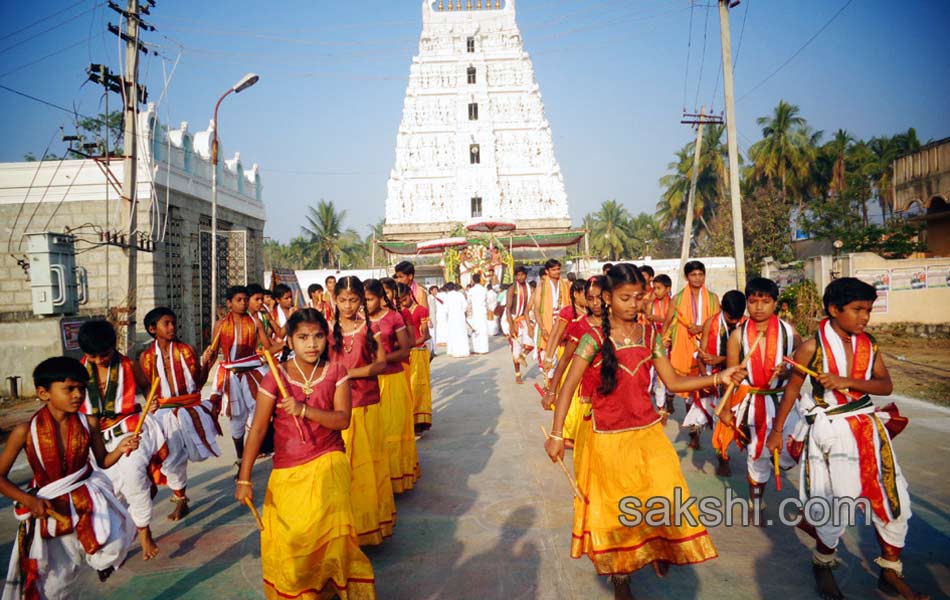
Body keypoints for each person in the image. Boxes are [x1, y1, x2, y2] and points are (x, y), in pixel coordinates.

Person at [546, 264, 740, 600]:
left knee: (663, 492)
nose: (633, 304)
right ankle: (620, 576)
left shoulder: (649, 335)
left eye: (638, 297)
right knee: (618, 509)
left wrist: (718, 378)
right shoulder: (593, 338)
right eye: (625, 298)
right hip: (607, 437)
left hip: (648, 432)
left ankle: (657, 547)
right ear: (607, 298)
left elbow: (674, 381)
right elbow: (568, 387)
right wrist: (555, 434)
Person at [768, 278, 927, 600]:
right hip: (830, 435)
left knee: (892, 499)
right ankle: (823, 564)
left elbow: (885, 386)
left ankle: (890, 570)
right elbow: (793, 390)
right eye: (857, 310)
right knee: (833, 504)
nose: (864, 317)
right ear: (833, 310)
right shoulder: (812, 347)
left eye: (868, 310)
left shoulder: (869, 345)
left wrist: (846, 380)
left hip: (869, 432)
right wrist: (776, 431)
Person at [236, 309, 377, 600]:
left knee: (333, 541)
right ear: (289, 340)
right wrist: (244, 478)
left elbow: (342, 420)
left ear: (327, 338)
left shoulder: (336, 372)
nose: (311, 344)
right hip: (288, 470)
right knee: (294, 540)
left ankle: (333, 590)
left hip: (329, 462)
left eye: (318, 336)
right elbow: (259, 428)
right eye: (302, 337)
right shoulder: (275, 377)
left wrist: (304, 410)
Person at [0, 357, 137, 599]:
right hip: (51, 509)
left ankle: (101, 564)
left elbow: (103, 461)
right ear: (43, 393)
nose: (78, 395)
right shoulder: (24, 431)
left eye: (82, 389)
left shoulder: (89, 423)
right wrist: (29, 500)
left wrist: (121, 448)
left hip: (87, 500)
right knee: (56, 582)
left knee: (118, 540)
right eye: (69, 389)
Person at [76, 320, 164, 561]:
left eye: (103, 355)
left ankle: (144, 531)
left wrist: (150, 401)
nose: (98, 361)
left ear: (113, 347)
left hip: (130, 427)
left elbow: (147, 387)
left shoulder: (129, 365)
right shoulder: (79, 372)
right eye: (91, 357)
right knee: (102, 490)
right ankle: (115, 538)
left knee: (133, 476)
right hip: (95, 435)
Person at [719, 278, 801, 520]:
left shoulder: (789, 332)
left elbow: (802, 362)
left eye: (765, 302)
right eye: (753, 301)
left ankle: (787, 473)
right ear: (747, 304)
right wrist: (727, 408)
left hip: (783, 401)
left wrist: (789, 371)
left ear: (775, 303)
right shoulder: (738, 335)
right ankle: (757, 500)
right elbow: (731, 374)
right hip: (753, 403)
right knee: (758, 453)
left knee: (794, 447)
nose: (759, 307)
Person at [139, 307, 221, 521]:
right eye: (166, 323)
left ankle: (179, 498)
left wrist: (207, 364)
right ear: (152, 329)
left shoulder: (187, 350)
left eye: (173, 322)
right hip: (163, 413)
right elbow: (146, 387)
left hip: (188, 407)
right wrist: (152, 401)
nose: (172, 327)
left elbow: (199, 382)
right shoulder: (146, 357)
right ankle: (180, 500)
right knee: (171, 458)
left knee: (190, 453)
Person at [331, 277, 396, 547]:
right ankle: (345, 526)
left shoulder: (369, 328)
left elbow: (380, 365)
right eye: (343, 300)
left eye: (354, 300)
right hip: (337, 407)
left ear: (362, 301)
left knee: (368, 466)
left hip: (366, 404)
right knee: (342, 468)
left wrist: (346, 374)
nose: (348, 306)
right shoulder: (325, 330)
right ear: (334, 299)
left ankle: (369, 523)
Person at [203, 285, 282, 465]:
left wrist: (288, 344)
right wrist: (203, 371)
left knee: (261, 410)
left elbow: (268, 347)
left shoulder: (255, 322)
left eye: (245, 300)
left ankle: (250, 452)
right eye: (239, 300)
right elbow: (214, 352)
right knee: (237, 418)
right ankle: (240, 457)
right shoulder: (221, 325)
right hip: (231, 374)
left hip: (252, 373)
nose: (243, 303)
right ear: (229, 303)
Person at [365, 279, 419, 493]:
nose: (366, 304)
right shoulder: (359, 321)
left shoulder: (394, 317)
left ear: (381, 298)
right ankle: (377, 480)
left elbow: (406, 350)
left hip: (392, 379)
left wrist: (381, 359)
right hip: (368, 381)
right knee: (373, 433)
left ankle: (396, 476)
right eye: (364, 299)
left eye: (369, 299)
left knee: (393, 429)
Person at [544, 276, 604, 464]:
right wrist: (552, 391)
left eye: (599, 298)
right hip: (589, 396)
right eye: (590, 298)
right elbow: (564, 360)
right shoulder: (582, 325)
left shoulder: (623, 326)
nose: (595, 303)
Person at [662, 261, 720, 416]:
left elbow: (717, 322)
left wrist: (701, 328)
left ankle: (696, 427)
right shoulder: (677, 299)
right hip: (684, 345)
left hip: (706, 345)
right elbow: (667, 322)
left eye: (701, 274)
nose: (697, 278)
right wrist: (663, 341)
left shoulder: (713, 298)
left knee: (702, 385)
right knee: (688, 385)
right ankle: (692, 424)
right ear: (686, 277)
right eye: (693, 274)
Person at [697, 290, 746, 475]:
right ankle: (723, 457)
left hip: (741, 381)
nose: (733, 321)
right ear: (721, 309)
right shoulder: (711, 322)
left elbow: (749, 357)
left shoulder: (748, 324)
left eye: (737, 318)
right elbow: (701, 355)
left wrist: (720, 359)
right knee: (721, 421)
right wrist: (704, 377)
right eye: (729, 317)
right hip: (716, 379)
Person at [398, 283, 433, 432]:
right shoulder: (399, 313)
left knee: (417, 386)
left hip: (417, 351)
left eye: (404, 299)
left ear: (409, 295)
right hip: (405, 353)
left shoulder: (420, 310)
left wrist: (409, 345)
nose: (402, 302)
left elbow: (425, 335)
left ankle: (419, 420)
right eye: (399, 300)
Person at [530, 258, 571, 367]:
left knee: (562, 355)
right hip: (546, 324)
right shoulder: (541, 287)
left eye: (558, 269)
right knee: (547, 355)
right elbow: (537, 310)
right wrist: (542, 327)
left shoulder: (565, 285)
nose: (557, 272)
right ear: (547, 271)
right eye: (554, 270)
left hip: (562, 322)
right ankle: (547, 382)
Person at [648, 274, 674, 413]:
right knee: (657, 377)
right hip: (654, 343)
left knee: (670, 375)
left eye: (658, 288)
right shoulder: (652, 303)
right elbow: (645, 317)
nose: (656, 291)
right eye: (654, 288)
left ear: (668, 289)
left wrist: (659, 318)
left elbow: (674, 323)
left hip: (670, 345)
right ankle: (661, 408)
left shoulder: (674, 303)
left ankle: (669, 398)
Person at [506, 266, 534, 384]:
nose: (520, 277)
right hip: (514, 319)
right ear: (515, 276)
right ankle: (517, 374)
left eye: (522, 275)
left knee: (533, 343)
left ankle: (523, 356)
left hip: (525, 319)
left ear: (526, 276)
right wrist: (512, 325)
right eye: (518, 275)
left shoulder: (530, 288)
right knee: (516, 349)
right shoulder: (513, 289)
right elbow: (508, 309)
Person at [444, 283, 470, 358]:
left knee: (453, 334)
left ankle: (454, 352)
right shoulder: (460, 295)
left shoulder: (447, 296)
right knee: (462, 333)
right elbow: (465, 305)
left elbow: (445, 309)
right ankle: (464, 352)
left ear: (447, 289)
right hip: (460, 316)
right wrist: (462, 311)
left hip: (452, 317)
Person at [467, 273, 490, 355]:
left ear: (472, 280)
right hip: (482, 312)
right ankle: (484, 349)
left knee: (475, 331)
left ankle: (476, 349)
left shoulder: (471, 290)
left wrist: (468, 314)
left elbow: (468, 303)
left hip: (475, 312)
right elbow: (488, 301)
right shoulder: (484, 289)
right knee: (483, 330)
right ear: (480, 280)